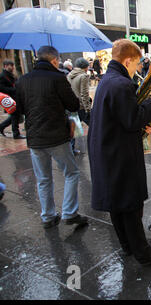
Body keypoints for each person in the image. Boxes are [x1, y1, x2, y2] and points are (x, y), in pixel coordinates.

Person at [87, 39, 151, 265]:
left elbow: (124, 118)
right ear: (127, 61)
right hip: (120, 154)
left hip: (108, 149)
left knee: (117, 202)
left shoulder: (108, 80)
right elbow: (132, 118)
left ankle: (128, 246)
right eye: (136, 64)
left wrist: (145, 121)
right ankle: (143, 253)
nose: (138, 70)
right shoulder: (121, 84)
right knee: (131, 203)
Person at [14, 45, 88, 229]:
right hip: (56, 136)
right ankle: (70, 212)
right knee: (71, 173)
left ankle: (48, 215)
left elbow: (19, 110)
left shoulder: (23, 80)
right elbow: (73, 104)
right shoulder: (57, 78)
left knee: (43, 178)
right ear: (54, 60)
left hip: (35, 138)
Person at [0, 60, 25, 139]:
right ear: (5, 66)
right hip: (10, 99)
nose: (13, 67)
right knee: (15, 115)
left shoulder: (11, 75)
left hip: (15, 97)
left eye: (13, 65)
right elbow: (2, 88)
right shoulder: (2, 76)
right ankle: (16, 133)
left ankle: (1, 127)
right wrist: (14, 89)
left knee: (15, 115)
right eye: (11, 65)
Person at [67, 57, 92, 126]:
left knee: (75, 126)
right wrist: (88, 109)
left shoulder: (70, 75)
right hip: (81, 105)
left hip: (72, 105)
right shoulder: (83, 76)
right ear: (85, 66)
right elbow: (84, 94)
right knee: (94, 125)